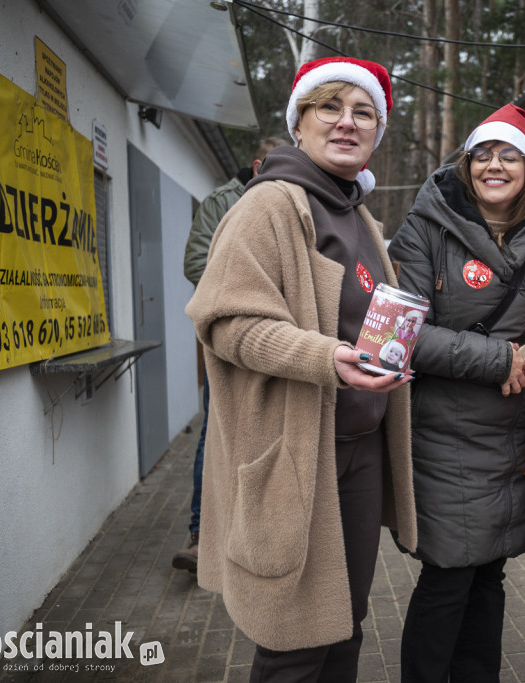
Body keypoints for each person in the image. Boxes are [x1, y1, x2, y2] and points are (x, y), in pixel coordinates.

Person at [185, 56, 416, 683]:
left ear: (377, 128)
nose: (347, 123)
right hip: (296, 457)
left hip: (357, 451)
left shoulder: (357, 212)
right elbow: (227, 323)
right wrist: (326, 358)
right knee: (293, 643)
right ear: (300, 122)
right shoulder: (271, 206)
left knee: (345, 622)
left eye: (363, 112)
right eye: (329, 107)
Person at [388, 103, 525, 681]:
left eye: (509, 155)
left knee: (489, 572)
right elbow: (394, 336)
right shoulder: (426, 227)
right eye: (483, 155)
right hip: (445, 432)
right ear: (466, 165)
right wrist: (495, 358)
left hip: (513, 432)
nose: (494, 166)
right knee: (449, 573)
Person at [172, 136, 287, 574]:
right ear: (257, 166)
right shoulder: (222, 202)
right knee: (215, 433)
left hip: (282, 341)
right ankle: (201, 534)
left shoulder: (298, 200)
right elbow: (196, 263)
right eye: (277, 168)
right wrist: (260, 290)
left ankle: (261, 531)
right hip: (230, 339)